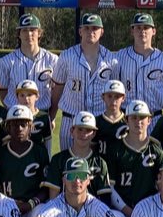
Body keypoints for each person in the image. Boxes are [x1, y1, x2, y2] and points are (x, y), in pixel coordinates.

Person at [50, 13, 120, 149]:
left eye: (95, 28)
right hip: (70, 120)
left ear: (102, 32)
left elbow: (116, 95)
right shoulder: (66, 56)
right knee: (68, 164)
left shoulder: (112, 60)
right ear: (80, 31)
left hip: (100, 122)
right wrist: (51, 117)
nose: (91, 32)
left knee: (98, 167)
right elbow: (57, 89)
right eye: (87, 28)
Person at [102, 100, 163, 217]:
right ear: (126, 120)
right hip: (122, 210)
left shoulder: (156, 150)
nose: (138, 122)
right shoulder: (116, 149)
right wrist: (128, 211)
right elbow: (110, 187)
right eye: (134, 118)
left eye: (142, 118)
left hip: (150, 210)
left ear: (149, 120)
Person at [44, 112, 113, 200]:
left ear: (94, 134)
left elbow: (104, 199)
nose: (83, 134)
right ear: (72, 131)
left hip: (93, 209)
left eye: (88, 130)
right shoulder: (58, 159)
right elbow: (53, 197)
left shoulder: (100, 162)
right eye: (80, 129)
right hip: (63, 209)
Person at [0, 105, 49, 213]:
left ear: (31, 127)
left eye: (23, 125)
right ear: (7, 128)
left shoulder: (39, 152)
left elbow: (46, 188)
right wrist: (10, 203)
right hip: (6, 205)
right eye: (14, 125)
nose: (19, 128)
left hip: (34, 206)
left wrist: (30, 204)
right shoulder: (0, 153)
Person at [115, 12, 163, 113]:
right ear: (132, 31)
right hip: (127, 117)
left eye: (146, 27)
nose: (142, 31)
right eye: (138, 28)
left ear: (154, 31)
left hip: (155, 118)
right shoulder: (120, 57)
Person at [0, 13, 58, 109]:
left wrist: (52, 115)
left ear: (39, 33)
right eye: (24, 30)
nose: (29, 34)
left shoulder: (52, 60)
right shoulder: (7, 61)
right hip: (15, 114)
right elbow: (3, 92)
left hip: (43, 114)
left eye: (32, 30)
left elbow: (57, 91)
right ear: (19, 34)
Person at [10, 80, 51, 151]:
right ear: (17, 97)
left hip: (38, 157)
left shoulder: (43, 117)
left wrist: (48, 159)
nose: (26, 98)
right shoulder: (12, 117)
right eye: (22, 95)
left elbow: (47, 141)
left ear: (37, 96)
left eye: (29, 95)